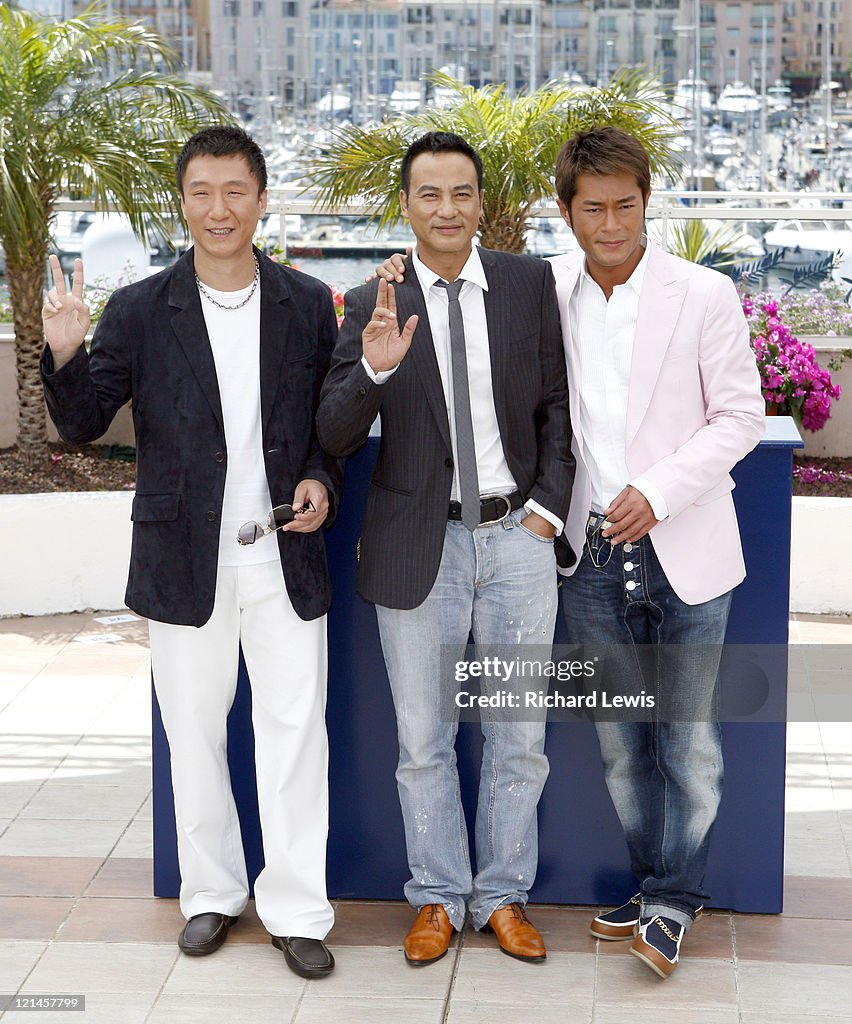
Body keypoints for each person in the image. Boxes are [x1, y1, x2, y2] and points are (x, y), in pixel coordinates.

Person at [376, 125, 764, 979]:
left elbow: (739, 416)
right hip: (583, 557)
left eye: (627, 206)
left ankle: (671, 896)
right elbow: (503, 354)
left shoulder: (705, 294)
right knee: (623, 743)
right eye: (594, 208)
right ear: (567, 211)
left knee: (689, 740)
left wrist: (658, 492)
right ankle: (647, 885)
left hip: (684, 545)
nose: (612, 223)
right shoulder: (544, 287)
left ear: (645, 204)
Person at [40, 125, 342, 979]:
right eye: (202, 192)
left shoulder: (307, 302)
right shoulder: (139, 309)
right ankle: (211, 895)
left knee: (294, 734)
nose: (219, 209)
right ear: (184, 201)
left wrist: (320, 478)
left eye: (234, 191)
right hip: (183, 557)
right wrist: (65, 349)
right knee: (194, 736)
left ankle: (296, 909)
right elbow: (81, 423)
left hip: (286, 554)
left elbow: (327, 428)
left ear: (261, 198)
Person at [316, 131, 575, 966]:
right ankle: (434, 897)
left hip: (517, 543)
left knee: (518, 736)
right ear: (406, 205)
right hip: (416, 546)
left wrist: (546, 513)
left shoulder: (529, 284)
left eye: (461, 192)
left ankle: (502, 897)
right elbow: (333, 429)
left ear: (479, 200)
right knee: (421, 739)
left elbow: (559, 413)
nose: (447, 209)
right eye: (430, 194)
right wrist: (377, 371)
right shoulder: (370, 300)